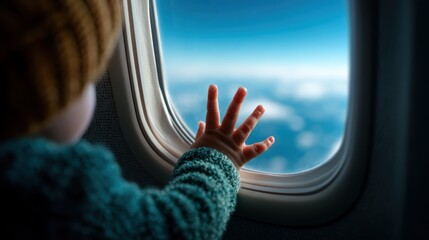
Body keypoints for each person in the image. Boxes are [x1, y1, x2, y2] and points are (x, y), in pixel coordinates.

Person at [0, 0, 275, 239]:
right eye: (85, 82)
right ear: (40, 101)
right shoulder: (58, 193)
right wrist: (217, 156)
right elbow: (179, 229)